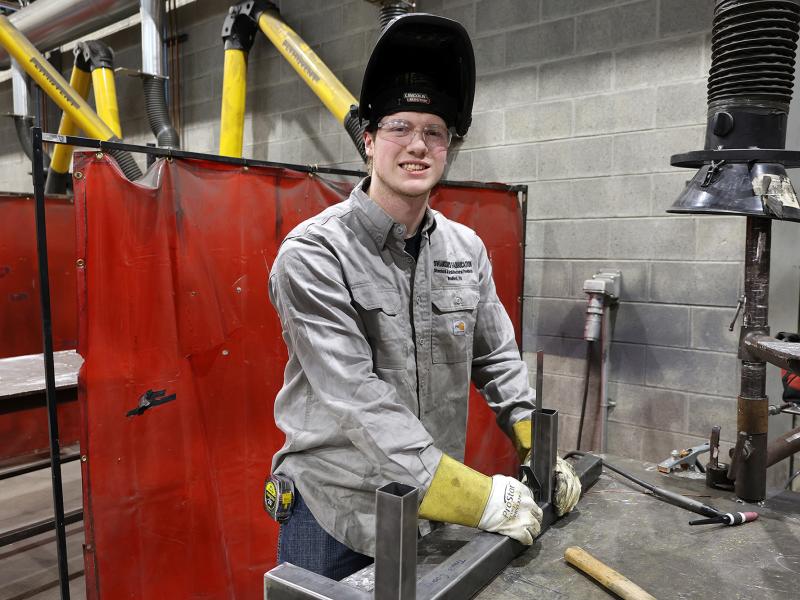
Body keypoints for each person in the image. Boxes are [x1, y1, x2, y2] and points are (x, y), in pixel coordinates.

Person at [268, 13, 581, 581]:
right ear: (368, 139)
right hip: (335, 514)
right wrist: (483, 500)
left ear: (449, 149)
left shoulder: (466, 249)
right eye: (398, 127)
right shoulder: (314, 255)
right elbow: (360, 402)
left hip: (425, 512)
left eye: (434, 132)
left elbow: (497, 360)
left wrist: (541, 447)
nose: (417, 145)